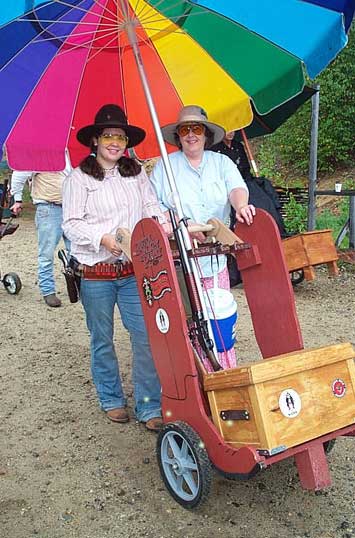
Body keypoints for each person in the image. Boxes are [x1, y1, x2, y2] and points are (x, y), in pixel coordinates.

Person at [62, 104, 169, 431]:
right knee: (102, 338)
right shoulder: (78, 178)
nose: (114, 142)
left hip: (133, 272)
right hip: (96, 274)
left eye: (120, 137)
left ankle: (149, 404)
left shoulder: (136, 173)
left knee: (146, 336)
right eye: (108, 135)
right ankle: (110, 398)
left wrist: (169, 227)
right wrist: (103, 238)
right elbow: (70, 223)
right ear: (95, 140)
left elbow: (152, 208)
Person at [150, 105, 255, 371]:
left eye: (196, 129)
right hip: (182, 255)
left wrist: (241, 206)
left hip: (215, 253)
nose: (191, 135)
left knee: (218, 313)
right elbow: (152, 204)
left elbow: (236, 188)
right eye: (185, 129)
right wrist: (178, 228)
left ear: (206, 134)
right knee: (190, 318)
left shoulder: (222, 163)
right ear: (178, 136)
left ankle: (224, 371)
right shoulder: (165, 166)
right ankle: (197, 375)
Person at [10, 153, 71, 307]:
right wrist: (17, 199)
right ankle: (48, 291)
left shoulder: (69, 153)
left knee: (76, 251)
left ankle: (77, 287)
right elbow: (19, 173)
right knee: (47, 253)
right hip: (48, 208)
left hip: (71, 209)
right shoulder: (38, 153)